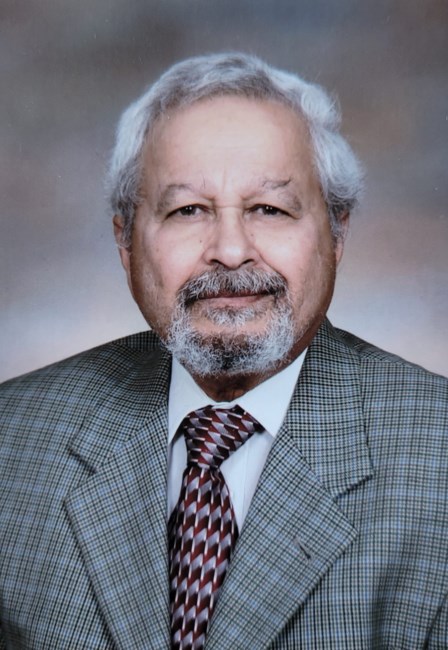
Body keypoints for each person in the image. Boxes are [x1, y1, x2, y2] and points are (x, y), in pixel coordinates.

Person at [1, 52, 447, 650]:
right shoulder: (12, 439)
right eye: (188, 210)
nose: (231, 251)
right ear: (125, 242)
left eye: (269, 209)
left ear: (337, 233)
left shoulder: (436, 458)